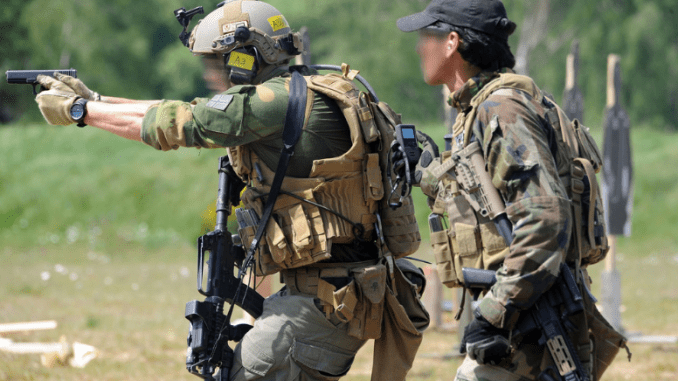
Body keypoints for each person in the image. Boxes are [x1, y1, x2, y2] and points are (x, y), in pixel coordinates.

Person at [33, 1, 428, 380]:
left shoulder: (273, 103)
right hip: (335, 293)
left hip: (324, 300)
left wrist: (79, 113)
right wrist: (96, 101)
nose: (209, 74)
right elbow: (184, 109)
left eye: (213, 61)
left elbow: (181, 123)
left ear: (246, 58)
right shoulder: (298, 93)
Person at [396, 0, 627, 380]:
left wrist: (493, 312)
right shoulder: (481, 109)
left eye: (427, 36)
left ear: (452, 42)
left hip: (532, 323)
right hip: (523, 317)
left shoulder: (502, 110)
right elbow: (487, 206)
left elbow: (545, 219)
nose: (420, 47)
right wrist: (428, 175)